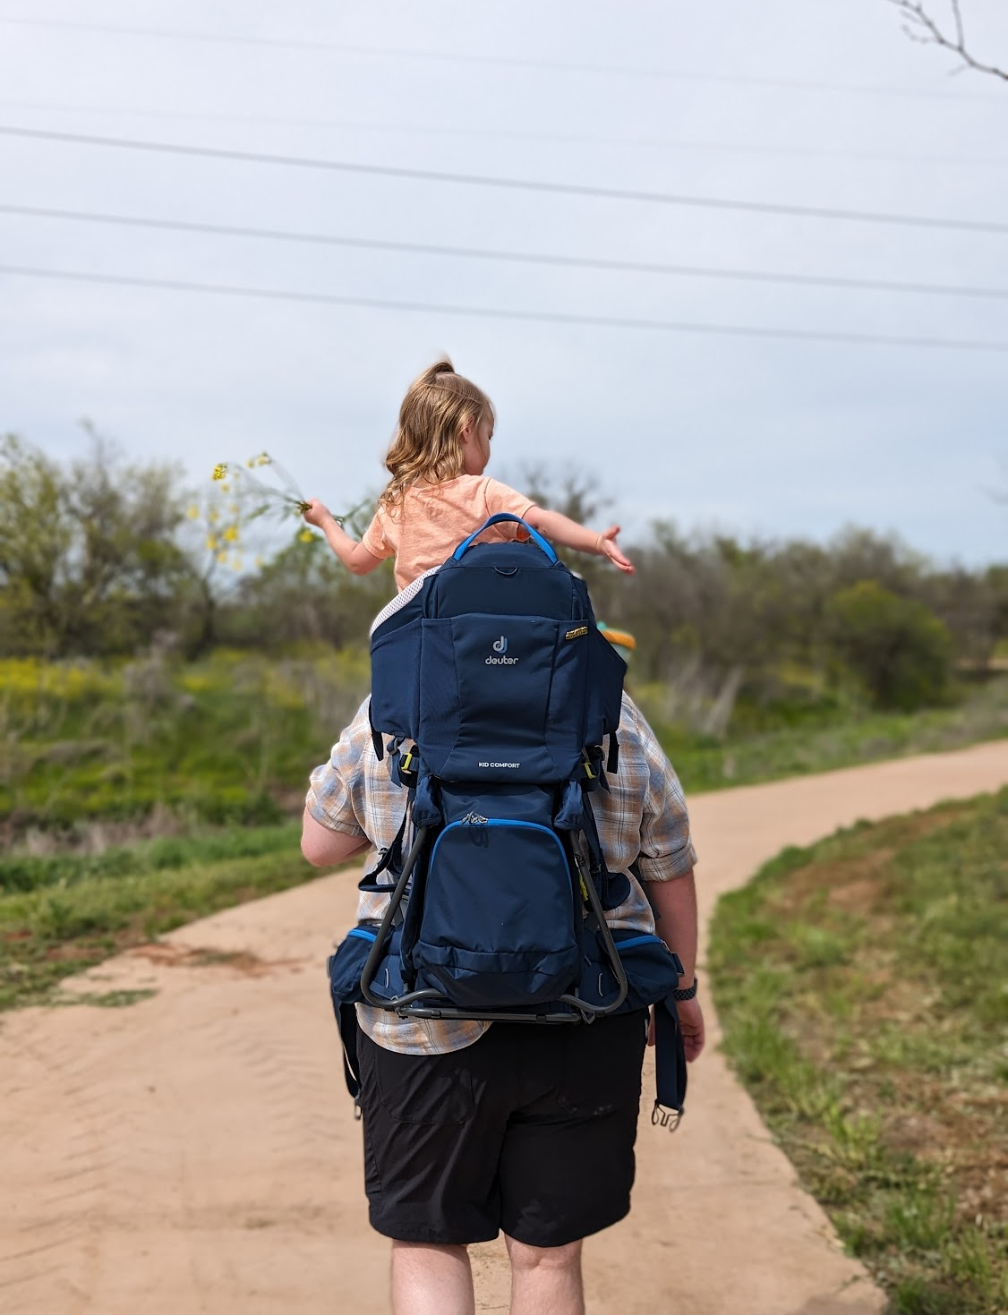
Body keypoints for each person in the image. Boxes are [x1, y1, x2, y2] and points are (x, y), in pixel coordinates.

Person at [301, 691, 704, 1315]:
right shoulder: (610, 707)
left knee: (428, 1244)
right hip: (586, 1011)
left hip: (422, 1017)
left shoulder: (399, 696)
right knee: (548, 1255)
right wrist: (682, 989)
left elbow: (320, 845)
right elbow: (669, 855)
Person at [302, 359, 633, 592]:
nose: (489, 449)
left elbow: (357, 562)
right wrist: (596, 541)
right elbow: (543, 523)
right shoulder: (484, 493)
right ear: (466, 431)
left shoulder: (395, 506)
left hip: (424, 650)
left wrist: (326, 521)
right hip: (494, 647)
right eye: (487, 437)